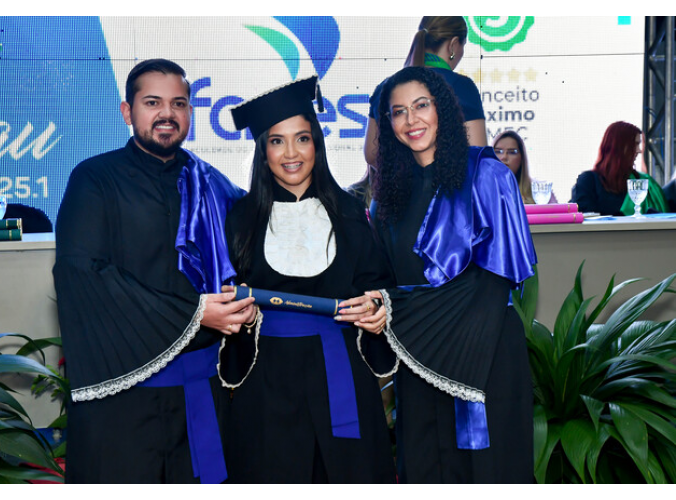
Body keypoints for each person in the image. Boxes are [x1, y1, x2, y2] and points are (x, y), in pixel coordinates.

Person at [53, 59, 255, 483]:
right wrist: (194, 314)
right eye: (152, 103)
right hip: (122, 402)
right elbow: (83, 275)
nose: (167, 113)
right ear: (127, 112)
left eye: (178, 103)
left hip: (200, 396)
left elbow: (250, 257)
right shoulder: (94, 179)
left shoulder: (213, 184)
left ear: (190, 113)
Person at [195, 76, 397, 483]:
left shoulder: (351, 214)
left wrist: (379, 309)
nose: (291, 153)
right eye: (277, 141)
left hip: (342, 379)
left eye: (302, 139)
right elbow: (220, 308)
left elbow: (381, 288)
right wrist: (238, 317)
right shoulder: (238, 221)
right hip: (265, 386)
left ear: (316, 144)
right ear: (263, 151)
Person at [369, 66, 537, 483]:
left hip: (485, 354)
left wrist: (400, 306)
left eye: (421, 106)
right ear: (388, 124)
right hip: (418, 360)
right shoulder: (387, 197)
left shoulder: (487, 176)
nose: (411, 120)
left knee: (489, 473)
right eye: (398, 112)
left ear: (442, 109)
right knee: (424, 468)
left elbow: (495, 280)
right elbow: (385, 280)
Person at [349, 16, 486, 207]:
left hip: (394, 204)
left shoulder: (387, 86)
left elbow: (372, 154)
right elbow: (476, 157)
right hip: (447, 206)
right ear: (454, 45)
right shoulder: (461, 86)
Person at [570, 121, 669, 215]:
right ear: (619, 147)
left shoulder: (641, 181)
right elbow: (585, 217)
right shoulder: (589, 181)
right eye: (635, 144)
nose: (639, 150)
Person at [492, 130, 557, 204]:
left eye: (512, 152)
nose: (504, 157)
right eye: (498, 151)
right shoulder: (482, 190)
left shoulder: (540, 192)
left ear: (522, 158)